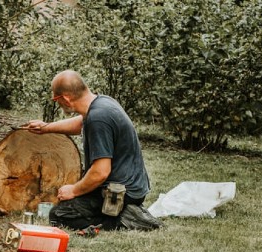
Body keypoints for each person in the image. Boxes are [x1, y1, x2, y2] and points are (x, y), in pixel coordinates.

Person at [25, 70, 162, 231]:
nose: (57, 103)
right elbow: (81, 122)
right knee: (69, 203)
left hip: (122, 191)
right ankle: (122, 212)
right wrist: (46, 127)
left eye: (56, 99)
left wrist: (74, 190)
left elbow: (100, 172)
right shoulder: (102, 103)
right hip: (131, 186)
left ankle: (125, 219)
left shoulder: (98, 118)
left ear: (66, 99)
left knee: (59, 215)